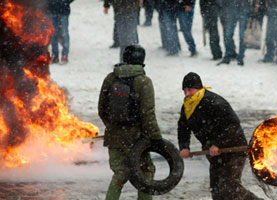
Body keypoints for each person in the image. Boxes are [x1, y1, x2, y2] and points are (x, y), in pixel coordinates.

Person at [177, 72, 264, 200]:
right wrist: (184, 147)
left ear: (199, 88)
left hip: (233, 149)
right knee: (217, 190)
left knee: (230, 187)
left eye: (190, 89)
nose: (187, 94)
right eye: (184, 90)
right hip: (214, 154)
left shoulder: (214, 102)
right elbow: (183, 128)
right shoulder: (188, 107)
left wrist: (218, 144)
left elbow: (232, 125)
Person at [98, 45, 163, 200]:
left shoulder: (110, 78)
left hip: (114, 137)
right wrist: (156, 137)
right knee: (146, 171)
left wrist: (113, 127)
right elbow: (147, 114)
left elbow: (102, 109)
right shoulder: (144, 81)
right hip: (136, 138)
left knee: (120, 174)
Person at [218, 0, 251, 66]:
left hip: (243, 6)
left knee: (242, 35)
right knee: (228, 34)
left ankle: (240, 57)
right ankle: (228, 55)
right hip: (232, 6)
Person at [47, 0, 74, 64]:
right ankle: (55, 55)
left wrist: (65, 2)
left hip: (63, 11)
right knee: (53, 34)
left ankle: (64, 55)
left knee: (64, 33)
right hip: (52, 11)